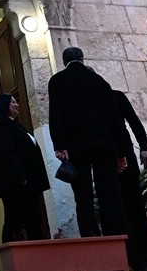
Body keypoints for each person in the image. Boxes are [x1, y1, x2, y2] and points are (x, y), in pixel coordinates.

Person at [48, 46, 128, 238]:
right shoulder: (99, 81)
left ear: (64, 61)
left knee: (83, 196)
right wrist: (120, 151)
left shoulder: (58, 80)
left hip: (77, 146)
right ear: (83, 59)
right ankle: (115, 240)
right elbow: (114, 118)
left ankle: (91, 239)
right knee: (110, 194)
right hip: (104, 144)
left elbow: (56, 114)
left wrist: (60, 145)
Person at [0, 92, 50, 243]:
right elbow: (6, 153)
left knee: (33, 218)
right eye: (13, 102)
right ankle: (12, 253)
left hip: (28, 182)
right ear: (4, 106)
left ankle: (37, 250)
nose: (17, 105)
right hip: (15, 183)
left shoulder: (14, 124)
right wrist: (20, 176)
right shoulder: (0, 125)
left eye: (16, 102)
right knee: (14, 219)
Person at [114, 89, 147, 271]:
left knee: (135, 207)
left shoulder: (116, 97)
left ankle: (145, 259)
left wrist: (144, 147)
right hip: (105, 160)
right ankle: (123, 262)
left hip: (125, 157)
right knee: (116, 210)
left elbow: (134, 122)